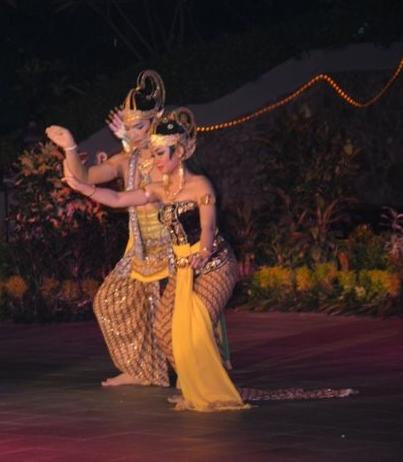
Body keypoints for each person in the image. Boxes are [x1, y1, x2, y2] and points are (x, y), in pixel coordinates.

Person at [63, 107, 356, 411]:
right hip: (183, 268)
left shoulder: (200, 186)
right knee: (166, 331)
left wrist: (203, 252)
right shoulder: (159, 189)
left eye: (164, 153)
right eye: (156, 153)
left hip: (214, 266)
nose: (159, 160)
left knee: (197, 323)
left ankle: (209, 387)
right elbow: (120, 199)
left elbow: (208, 227)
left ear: (183, 151)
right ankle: (196, 384)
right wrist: (85, 187)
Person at [46, 70, 172, 387]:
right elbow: (86, 177)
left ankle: (190, 367)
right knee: (109, 301)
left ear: (156, 118)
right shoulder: (125, 160)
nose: (135, 133)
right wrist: (71, 148)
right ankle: (141, 369)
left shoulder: (170, 153)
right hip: (140, 248)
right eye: (129, 127)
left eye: (140, 125)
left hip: (175, 245)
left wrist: (138, 147)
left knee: (173, 316)